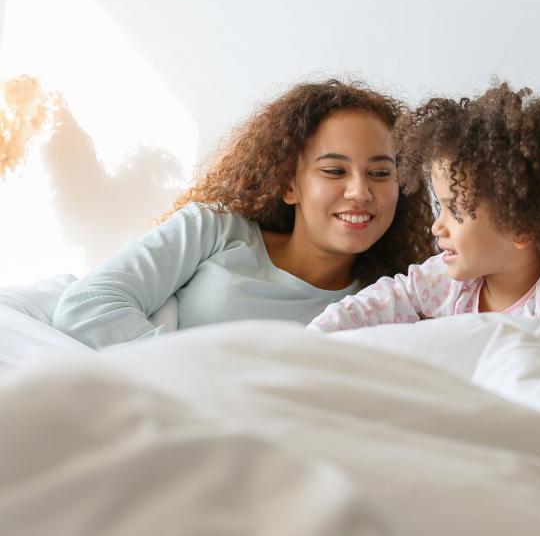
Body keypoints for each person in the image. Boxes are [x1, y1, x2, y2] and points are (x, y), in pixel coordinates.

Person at [53, 80, 436, 348]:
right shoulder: (212, 230)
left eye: (380, 173)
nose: (360, 192)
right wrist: (198, 382)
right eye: (334, 171)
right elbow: (87, 305)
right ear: (290, 185)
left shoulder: (392, 302)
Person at [307, 83, 540, 333]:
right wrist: (315, 338)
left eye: (454, 210)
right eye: (438, 206)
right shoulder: (446, 281)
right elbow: (378, 302)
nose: (437, 227)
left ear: (520, 226)